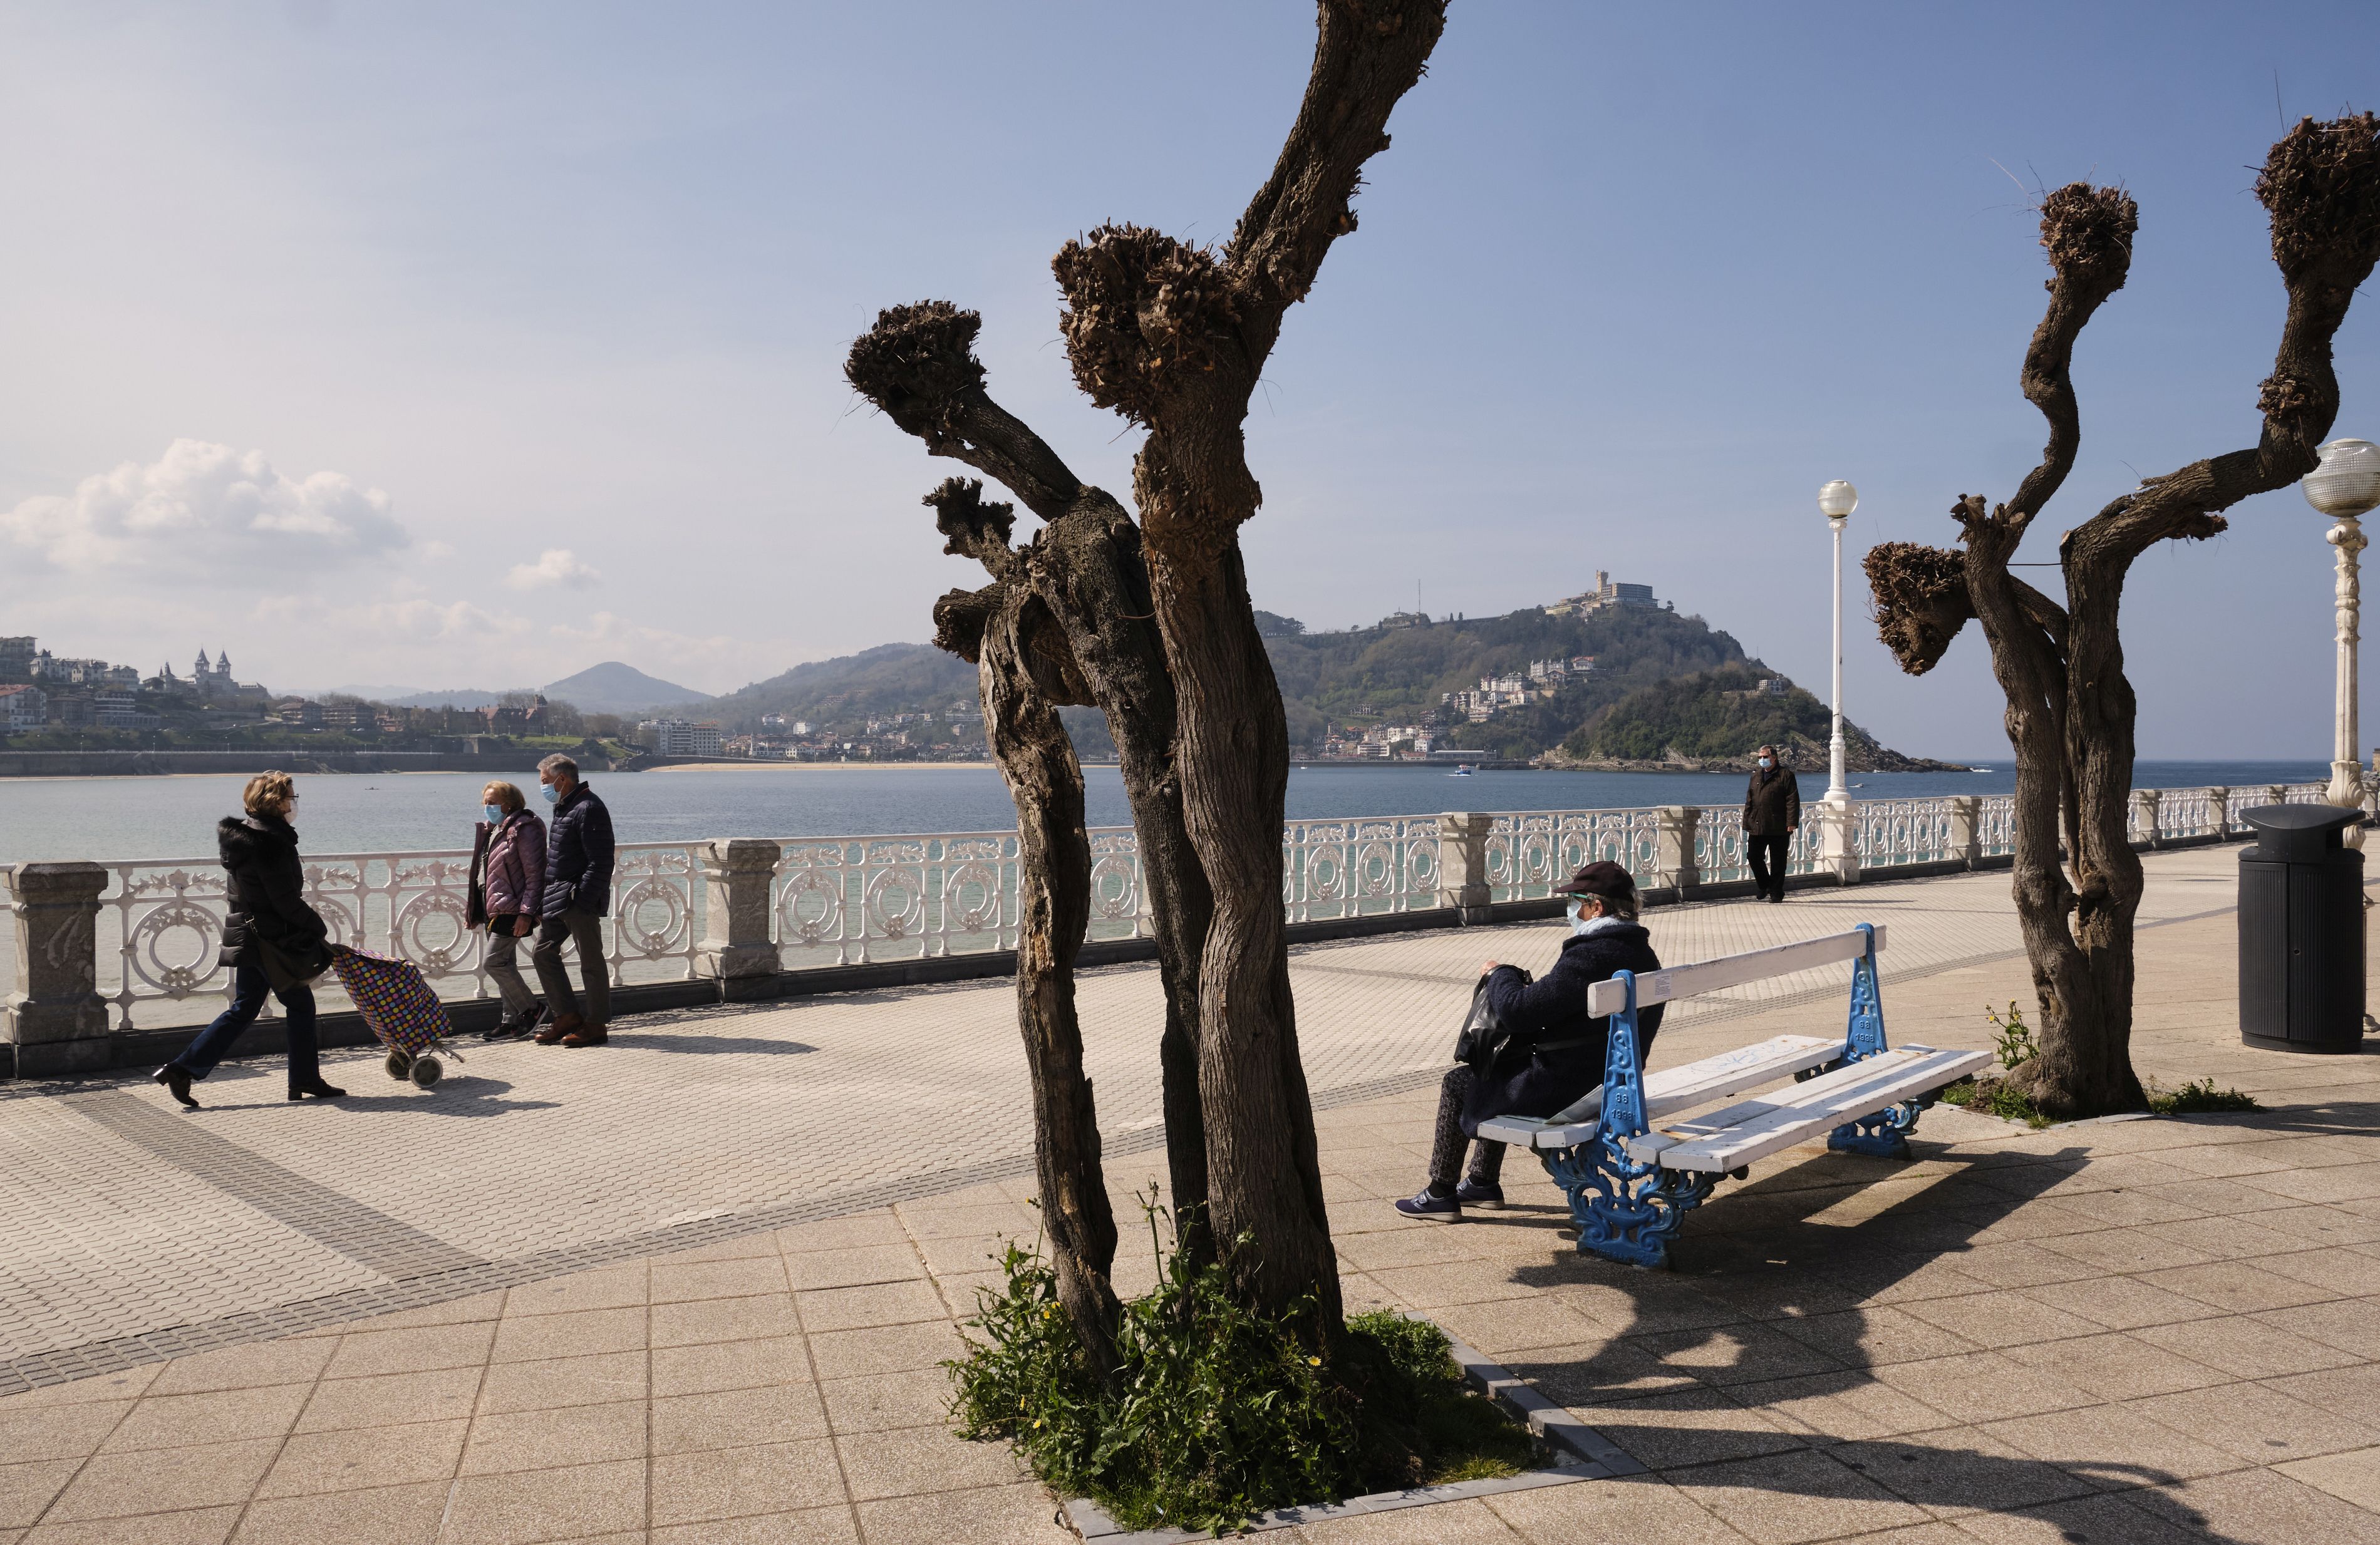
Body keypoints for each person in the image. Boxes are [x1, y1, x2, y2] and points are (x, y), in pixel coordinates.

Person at [1395, 861, 1665, 1221]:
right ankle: (1481, 1183)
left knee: (1459, 1082)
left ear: (1597, 907)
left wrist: (1499, 974)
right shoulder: (1642, 953)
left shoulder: (1591, 955)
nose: (1571, 909)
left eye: (1575, 901)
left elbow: (1518, 1012)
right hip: (1610, 1082)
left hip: (1568, 1088)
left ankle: (1440, 1192)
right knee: (1502, 1069)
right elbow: (1557, 1003)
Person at [153, 771, 346, 1108]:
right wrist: (317, 927)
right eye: (291, 797)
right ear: (276, 802)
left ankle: (182, 1069)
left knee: (245, 1008)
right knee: (300, 1006)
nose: (294, 804)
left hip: (248, 932)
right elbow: (284, 900)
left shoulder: (243, 838)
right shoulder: (270, 843)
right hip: (270, 938)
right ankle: (303, 1078)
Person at [530, 753, 615, 1048]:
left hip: (578, 899)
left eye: (545, 781)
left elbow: (601, 861)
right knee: (542, 954)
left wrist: (583, 900)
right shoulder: (566, 807)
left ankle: (596, 1025)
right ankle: (566, 1016)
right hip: (558, 897)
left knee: (591, 962)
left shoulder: (589, 808)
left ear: (562, 779)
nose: (543, 787)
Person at [472, 780, 547, 1041]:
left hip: (513, 908)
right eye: (486, 802)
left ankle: (532, 1009)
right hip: (493, 906)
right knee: (506, 963)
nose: (488, 807)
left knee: (493, 962)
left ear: (510, 803)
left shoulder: (525, 829)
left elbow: (536, 874)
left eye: (493, 802)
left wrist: (527, 912)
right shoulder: (494, 829)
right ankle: (510, 1021)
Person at [1743, 743, 1801, 904]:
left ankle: (1776, 893)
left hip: (1779, 825)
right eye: (1760, 757)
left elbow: (1792, 799)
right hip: (1757, 824)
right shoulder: (1756, 776)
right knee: (1753, 857)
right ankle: (1765, 885)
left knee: (1778, 861)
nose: (1762, 760)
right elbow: (1750, 800)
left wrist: (1791, 822)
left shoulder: (1786, 775)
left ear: (1774, 758)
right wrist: (1747, 822)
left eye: (1765, 757)